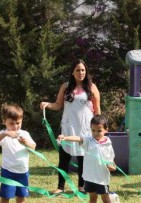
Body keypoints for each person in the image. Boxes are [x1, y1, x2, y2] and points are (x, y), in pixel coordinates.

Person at [40, 59, 101, 195]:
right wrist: (47, 104)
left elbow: (97, 111)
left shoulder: (92, 87)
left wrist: (99, 129)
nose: (81, 73)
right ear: (73, 72)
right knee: (64, 158)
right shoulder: (65, 87)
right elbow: (57, 105)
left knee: (83, 158)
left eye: (83, 70)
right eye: (78, 70)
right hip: (68, 127)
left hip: (85, 128)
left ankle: (82, 186)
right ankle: (60, 187)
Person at [58, 115, 117, 203]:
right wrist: (65, 137)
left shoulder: (108, 143)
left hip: (101, 178)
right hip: (90, 177)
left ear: (106, 130)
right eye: (93, 130)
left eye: (99, 130)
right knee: (92, 198)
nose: (96, 133)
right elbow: (78, 138)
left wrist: (112, 167)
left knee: (105, 199)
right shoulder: (89, 141)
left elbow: (111, 161)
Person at [0, 104, 37, 203]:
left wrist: (25, 142)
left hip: (22, 171)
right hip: (8, 171)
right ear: (4, 122)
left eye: (18, 123)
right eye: (11, 123)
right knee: (6, 195)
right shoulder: (3, 134)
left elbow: (33, 147)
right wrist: (5, 134)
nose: (15, 126)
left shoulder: (25, 134)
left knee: (21, 195)